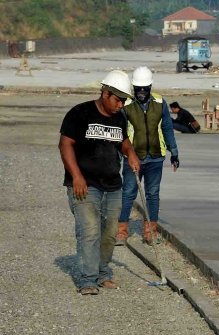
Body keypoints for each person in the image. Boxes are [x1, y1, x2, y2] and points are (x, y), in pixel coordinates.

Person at [59, 70, 141, 295]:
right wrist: (76, 176)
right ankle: (88, 279)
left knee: (110, 232)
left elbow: (122, 140)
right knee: (90, 230)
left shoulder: (120, 116)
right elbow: (65, 145)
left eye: (124, 100)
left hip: (113, 185)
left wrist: (130, 153)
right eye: (118, 99)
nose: (121, 105)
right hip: (84, 184)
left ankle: (103, 273)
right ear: (105, 93)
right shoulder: (80, 113)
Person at [117, 66, 180, 245]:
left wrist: (174, 152)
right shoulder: (126, 105)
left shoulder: (160, 103)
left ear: (150, 87)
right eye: (139, 89)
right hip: (133, 157)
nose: (142, 92)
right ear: (134, 88)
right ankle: (122, 231)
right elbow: (120, 132)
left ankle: (150, 231)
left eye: (145, 89)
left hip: (155, 157)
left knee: (153, 194)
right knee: (128, 193)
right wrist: (119, 155)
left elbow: (167, 128)